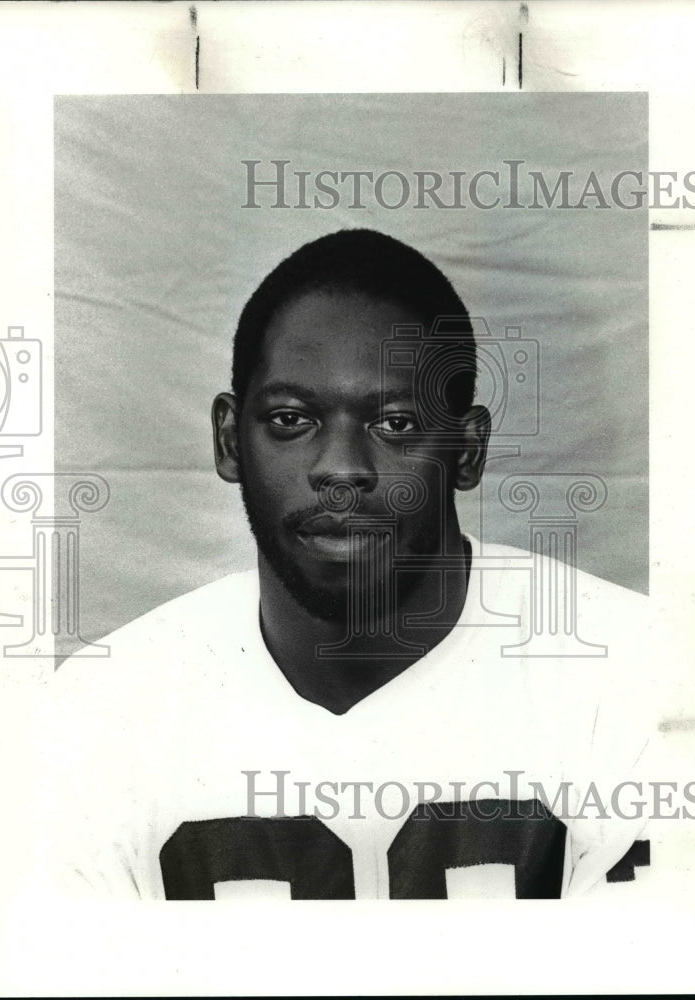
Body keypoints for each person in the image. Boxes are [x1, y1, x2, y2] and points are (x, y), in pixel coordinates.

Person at [52, 229, 654, 900]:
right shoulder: (101, 712)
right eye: (290, 419)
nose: (340, 469)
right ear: (228, 440)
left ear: (467, 450)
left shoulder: (633, 677)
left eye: (395, 424)